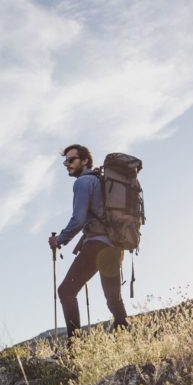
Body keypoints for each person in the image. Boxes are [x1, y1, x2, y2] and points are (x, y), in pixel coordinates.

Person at [48, 144, 129, 343]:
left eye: (71, 159)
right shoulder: (101, 181)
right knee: (113, 298)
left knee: (66, 291)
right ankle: (126, 338)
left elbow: (78, 219)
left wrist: (59, 240)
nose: (67, 164)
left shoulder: (83, 182)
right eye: (65, 161)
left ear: (84, 161)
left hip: (97, 246)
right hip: (114, 245)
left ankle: (76, 346)